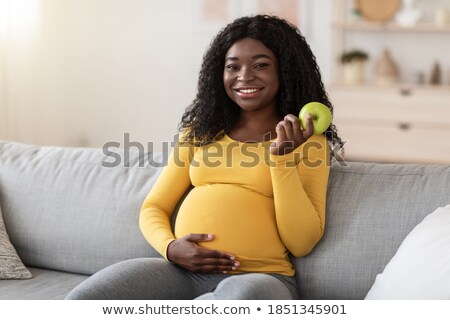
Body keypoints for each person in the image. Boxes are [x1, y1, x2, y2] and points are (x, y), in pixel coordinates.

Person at [66, 14, 343, 300]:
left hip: (260, 278)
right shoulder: (200, 132)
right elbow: (155, 206)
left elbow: (302, 242)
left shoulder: (308, 143)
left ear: (285, 71)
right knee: (84, 300)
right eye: (233, 67)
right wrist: (170, 248)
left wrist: (282, 160)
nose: (244, 76)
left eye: (261, 65)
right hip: (181, 273)